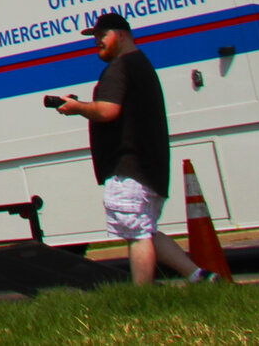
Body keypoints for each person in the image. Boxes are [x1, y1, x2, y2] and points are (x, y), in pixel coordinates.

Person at [57, 14, 211, 286]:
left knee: (136, 234)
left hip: (129, 166)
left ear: (122, 35)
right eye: (95, 37)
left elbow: (107, 110)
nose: (97, 42)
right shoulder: (142, 64)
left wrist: (77, 108)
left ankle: (142, 297)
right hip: (149, 165)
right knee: (145, 229)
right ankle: (199, 276)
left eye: (102, 36)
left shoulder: (120, 67)